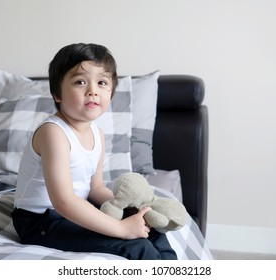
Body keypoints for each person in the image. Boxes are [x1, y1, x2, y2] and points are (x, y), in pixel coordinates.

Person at [11, 43, 177, 260]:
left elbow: (95, 188)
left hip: (73, 209)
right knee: (137, 246)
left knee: (150, 226)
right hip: (40, 221)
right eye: (80, 82)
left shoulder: (97, 134)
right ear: (57, 94)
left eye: (102, 82)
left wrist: (130, 208)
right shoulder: (53, 133)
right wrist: (122, 229)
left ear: (111, 91)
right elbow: (63, 201)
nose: (93, 90)